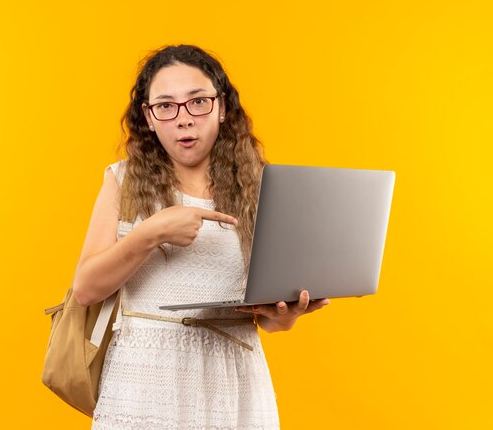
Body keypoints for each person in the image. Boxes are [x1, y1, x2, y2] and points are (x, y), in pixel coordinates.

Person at [72, 44, 330, 429]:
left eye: (198, 102)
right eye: (166, 106)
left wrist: (285, 316)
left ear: (222, 107)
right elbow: (85, 289)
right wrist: (151, 232)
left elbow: (268, 321)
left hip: (234, 379)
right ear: (148, 116)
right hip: (144, 378)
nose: (184, 119)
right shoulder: (122, 180)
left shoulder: (260, 186)